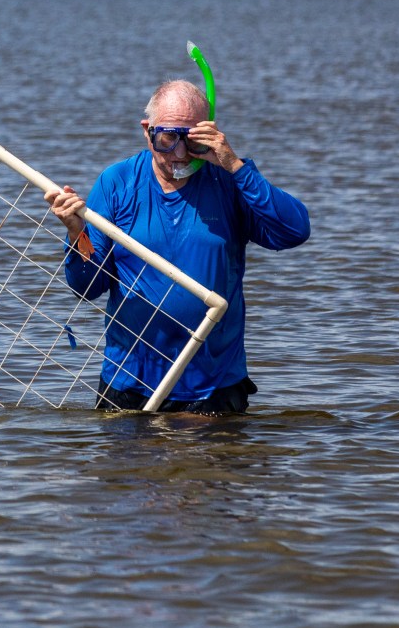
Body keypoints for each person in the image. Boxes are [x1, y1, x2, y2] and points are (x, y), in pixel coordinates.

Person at [44, 78, 310, 415]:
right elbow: (87, 287)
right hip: (129, 382)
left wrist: (235, 165)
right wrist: (76, 233)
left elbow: (294, 231)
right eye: (168, 139)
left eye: (193, 141)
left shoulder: (228, 181)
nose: (180, 154)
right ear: (148, 131)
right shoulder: (117, 182)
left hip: (212, 386)